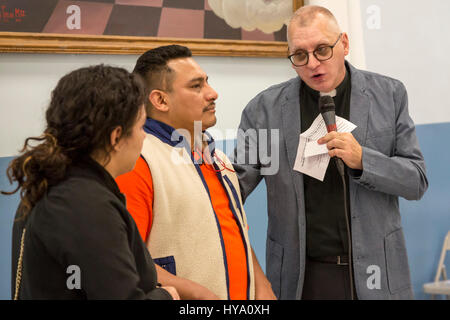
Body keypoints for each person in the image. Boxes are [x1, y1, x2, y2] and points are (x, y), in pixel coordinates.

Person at [233, 5, 428, 300]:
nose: (312, 63)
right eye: (300, 55)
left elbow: (416, 181)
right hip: (301, 277)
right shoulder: (264, 111)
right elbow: (234, 186)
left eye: (322, 49)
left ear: (344, 44)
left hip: (376, 271)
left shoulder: (389, 95)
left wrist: (364, 160)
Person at [5, 65, 179, 300]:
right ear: (116, 136)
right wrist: (166, 296)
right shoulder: (85, 205)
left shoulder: (56, 183)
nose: (144, 136)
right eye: (141, 127)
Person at [116, 45, 275, 300]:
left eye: (207, 82)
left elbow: (236, 230)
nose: (213, 93)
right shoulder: (137, 162)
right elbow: (123, 259)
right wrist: (196, 293)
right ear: (160, 100)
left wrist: (262, 285)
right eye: (196, 86)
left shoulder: (217, 157)